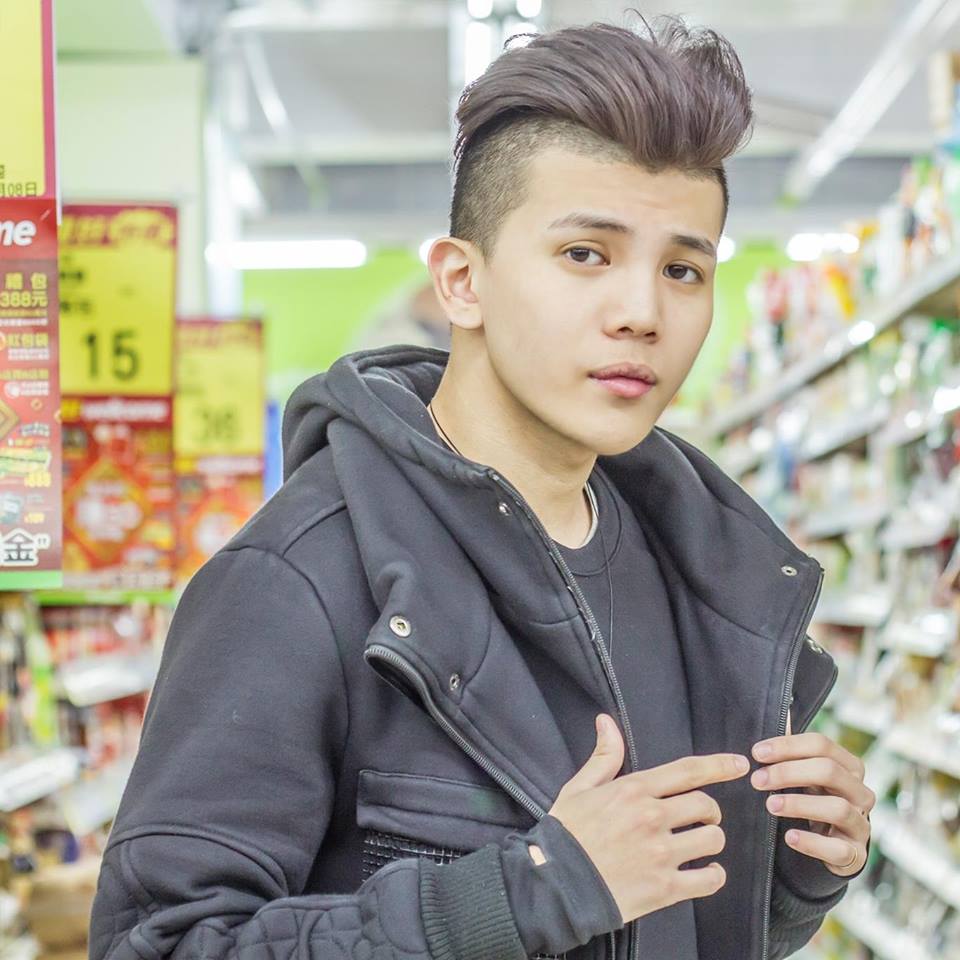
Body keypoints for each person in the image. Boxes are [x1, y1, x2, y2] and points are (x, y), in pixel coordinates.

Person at [89, 16, 874, 960]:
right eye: (586, 254)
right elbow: (162, 945)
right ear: (461, 282)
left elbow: (659, 917)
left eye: (682, 268)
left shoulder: (700, 574)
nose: (642, 313)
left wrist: (788, 875)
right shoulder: (297, 580)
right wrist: (531, 891)